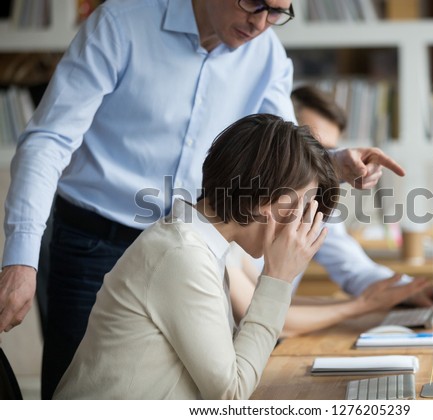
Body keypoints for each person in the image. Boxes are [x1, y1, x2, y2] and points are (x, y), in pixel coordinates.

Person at [0, 0, 406, 399]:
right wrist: (20, 258)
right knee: (90, 382)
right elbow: (49, 141)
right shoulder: (122, 23)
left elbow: (286, 163)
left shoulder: (266, 56)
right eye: (253, 4)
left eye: (277, 11)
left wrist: (334, 166)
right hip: (97, 236)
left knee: (176, 384)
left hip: (198, 238)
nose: (262, 22)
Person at [52, 113, 338, 399]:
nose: (299, 223)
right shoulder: (183, 255)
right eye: (298, 208)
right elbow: (231, 393)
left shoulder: (203, 244)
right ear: (261, 200)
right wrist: (278, 278)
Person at [228, 85, 432, 338]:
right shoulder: (239, 218)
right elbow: (261, 315)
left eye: (328, 151)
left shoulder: (312, 205)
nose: (322, 163)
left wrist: (405, 290)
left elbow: (349, 266)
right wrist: (361, 306)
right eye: (314, 149)